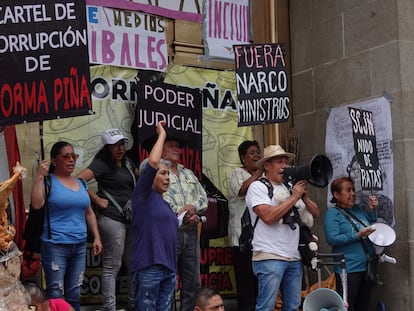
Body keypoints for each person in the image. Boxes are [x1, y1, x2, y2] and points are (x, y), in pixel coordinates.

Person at [245, 145, 319, 311]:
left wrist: (304, 198)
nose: (284, 166)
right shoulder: (257, 187)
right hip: (269, 255)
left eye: (286, 162)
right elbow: (269, 217)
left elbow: (316, 213)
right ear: (266, 165)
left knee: (293, 306)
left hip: (293, 256)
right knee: (266, 306)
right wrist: (294, 197)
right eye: (279, 162)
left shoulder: (289, 187)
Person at [30, 141, 102, 311]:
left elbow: (89, 212)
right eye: (66, 157)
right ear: (54, 161)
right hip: (55, 244)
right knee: (55, 293)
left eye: (74, 156)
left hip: (79, 244)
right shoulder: (49, 181)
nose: (71, 160)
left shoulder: (81, 183)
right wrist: (39, 177)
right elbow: (36, 204)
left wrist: (97, 237)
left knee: (74, 293)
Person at [77, 128, 138, 311]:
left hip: (129, 218)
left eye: (122, 144)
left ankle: (134, 304)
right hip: (111, 218)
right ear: (107, 148)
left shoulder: (127, 162)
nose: (119, 148)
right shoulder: (101, 164)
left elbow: (141, 178)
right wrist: (96, 199)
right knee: (113, 265)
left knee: (132, 263)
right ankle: (109, 308)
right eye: (114, 145)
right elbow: (78, 181)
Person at [130, 121, 178, 310]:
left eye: (168, 175)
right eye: (163, 174)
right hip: (149, 265)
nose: (167, 178)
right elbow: (153, 163)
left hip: (168, 268)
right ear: (148, 178)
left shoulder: (165, 203)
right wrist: (162, 135)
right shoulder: (142, 196)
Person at [160, 132, 208, 311]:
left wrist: (192, 208)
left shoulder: (187, 173)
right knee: (167, 280)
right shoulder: (158, 171)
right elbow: (159, 198)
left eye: (177, 146)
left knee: (192, 282)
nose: (176, 149)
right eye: (171, 145)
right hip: (168, 232)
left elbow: (202, 197)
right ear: (161, 148)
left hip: (190, 231)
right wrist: (181, 213)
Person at [324, 176, 378, 311]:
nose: (353, 194)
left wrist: (372, 210)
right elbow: (332, 239)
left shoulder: (358, 209)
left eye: (353, 190)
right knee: (348, 307)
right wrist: (357, 236)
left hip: (366, 267)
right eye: (348, 190)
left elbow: (369, 224)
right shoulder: (332, 214)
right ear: (336, 194)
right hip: (348, 269)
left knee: (363, 306)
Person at [227, 140, 262, 311]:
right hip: (241, 238)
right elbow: (241, 191)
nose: (257, 155)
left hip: (260, 239)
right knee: (245, 281)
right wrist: (258, 173)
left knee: (258, 281)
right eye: (252, 152)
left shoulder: (263, 177)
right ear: (243, 157)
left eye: (258, 152)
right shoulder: (237, 173)